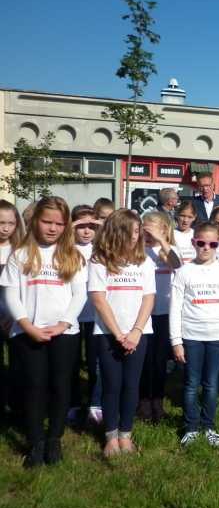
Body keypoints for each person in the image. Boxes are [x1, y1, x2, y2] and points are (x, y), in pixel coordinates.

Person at [0, 197, 86, 468]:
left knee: (61, 386)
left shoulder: (73, 255)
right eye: (47, 222)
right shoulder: (20, 255)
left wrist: (63, 324)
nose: (52, 228)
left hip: (65, 333)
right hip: (28, 332)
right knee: (33, 386)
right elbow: (11, 295)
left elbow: (80, 295)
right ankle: (35, 440)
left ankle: (54, 439)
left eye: (59, 224)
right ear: (35, 220)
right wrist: (26, 326)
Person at [89, 209, 156, 457]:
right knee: (111, 385)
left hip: (138, 333)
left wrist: (136, 331)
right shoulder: (99, 261)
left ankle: (125, 434)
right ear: (117, 232)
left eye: (138, 231)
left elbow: (148, 298)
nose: (135, 236)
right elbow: (98, 299)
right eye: (131, 231)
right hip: (108, 334)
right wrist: (118, 334)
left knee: (131, 385)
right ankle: (111, 436)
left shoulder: (144, 262)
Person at [170, 221, 219, 447]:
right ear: (194, 243)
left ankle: (208, 426)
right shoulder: (183, 272)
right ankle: (191, 427)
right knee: (191, 383)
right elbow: (175, 308)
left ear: (218, 245)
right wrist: (176, 341)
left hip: (217, 336)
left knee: (211, 384)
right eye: (201, 243)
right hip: (190, 336)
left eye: (212, 244)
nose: (206, 248)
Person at [138, 211, 181, 422]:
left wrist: (162, 241)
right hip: (142, 313)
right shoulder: (138, 250)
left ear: (164, 229)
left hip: (164, 312)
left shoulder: (170, 250)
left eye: (152, 229)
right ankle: (143, 402)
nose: (148, 234)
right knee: (144, 360)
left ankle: (158, 400)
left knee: (160, 360)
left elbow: (178, 265)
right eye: (145, 229)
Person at [68, 205, 102, 426]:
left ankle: (94, 403)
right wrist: (71, 226)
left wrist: (101, 225)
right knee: (71, 363)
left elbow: (116, 233)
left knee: (94, 363)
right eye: (82, 226)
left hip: (94, 316)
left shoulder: (100, 248)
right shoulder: (65, 248)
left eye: (91, 226)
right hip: (70, 315)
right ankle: (72, 403)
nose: (87, 231)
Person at [0, 200, 24, 422]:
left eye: (10, 223)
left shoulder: (21, 251)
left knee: (18, 364)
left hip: (16, 316)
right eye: (1, 223)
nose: (5, 228)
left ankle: (17, 406)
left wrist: (13, 315)